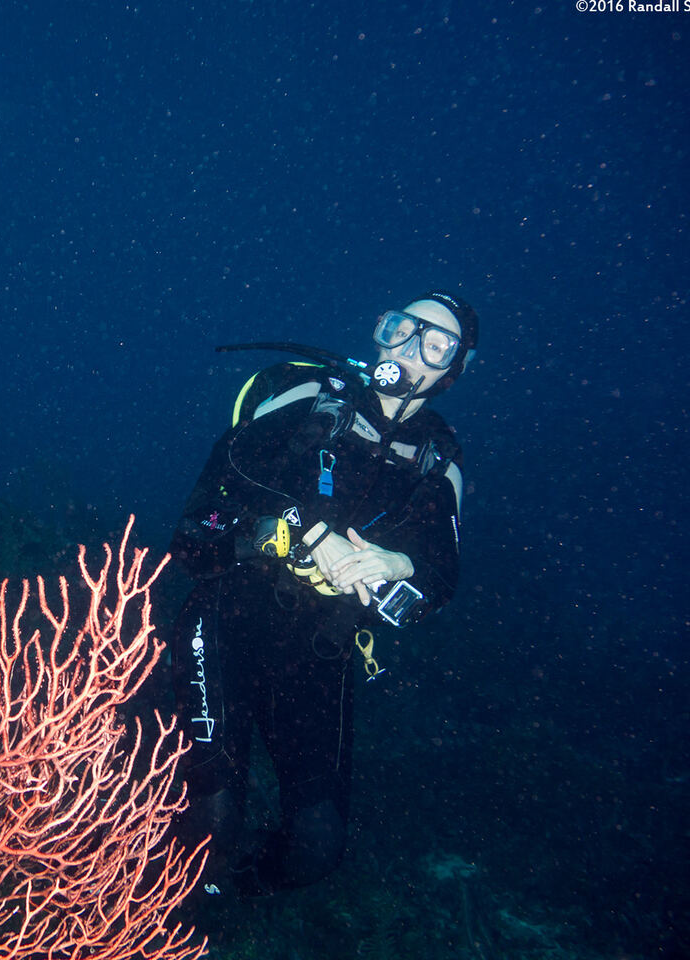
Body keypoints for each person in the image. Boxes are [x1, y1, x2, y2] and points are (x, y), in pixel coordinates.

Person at [169, 290, 478, 896]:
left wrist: (398, 562)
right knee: (212, 823)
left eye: (436, 345)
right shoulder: (312, 394)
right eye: (402, 330)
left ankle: (221, 898)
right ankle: (142, 891)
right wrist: (311, 535)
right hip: (228, 618)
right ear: (380, 331)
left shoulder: (438, 458)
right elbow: (226, 477)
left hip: (318, 652)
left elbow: (441, 577)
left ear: (454, 370)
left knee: (318, 847)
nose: (410, 350)